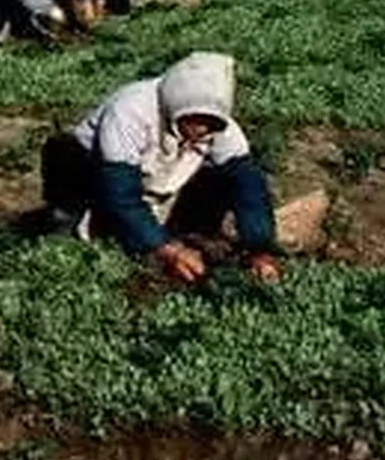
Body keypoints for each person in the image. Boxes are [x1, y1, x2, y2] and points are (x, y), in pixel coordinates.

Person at [37, 52, 281, 286]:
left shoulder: (221, 128)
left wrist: (260, 249)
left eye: (210, 123)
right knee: (74, 219)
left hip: (151, 179)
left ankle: (176, 232)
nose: (203, 130)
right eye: (194, 119)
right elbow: (118, 192)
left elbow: (249, 187)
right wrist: (167, 249)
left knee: (225, 178)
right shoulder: (130, 110)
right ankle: (62, 230)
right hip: (93, 174)